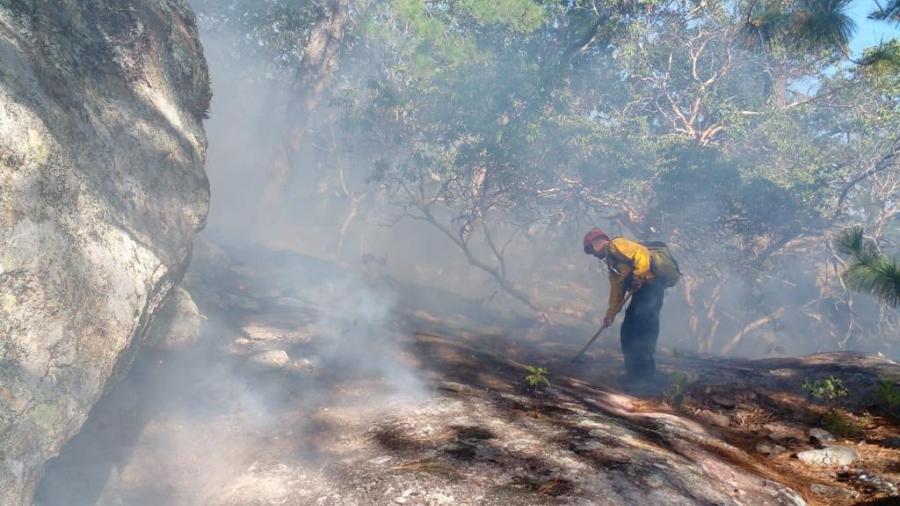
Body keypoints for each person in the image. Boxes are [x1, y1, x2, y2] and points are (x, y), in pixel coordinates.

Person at [582, 228, 669, 386]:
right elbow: (617, 289)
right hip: (642, 291)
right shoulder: (613, 262)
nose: (592, 254)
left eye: (590, 249)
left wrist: (639, 275)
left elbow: (641, 252)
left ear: (598, 243)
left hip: (651, 288)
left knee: (643, 331)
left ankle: (645, 379)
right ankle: (633, 375)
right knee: (628, 332)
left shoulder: (616, 245)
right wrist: (611, 313)